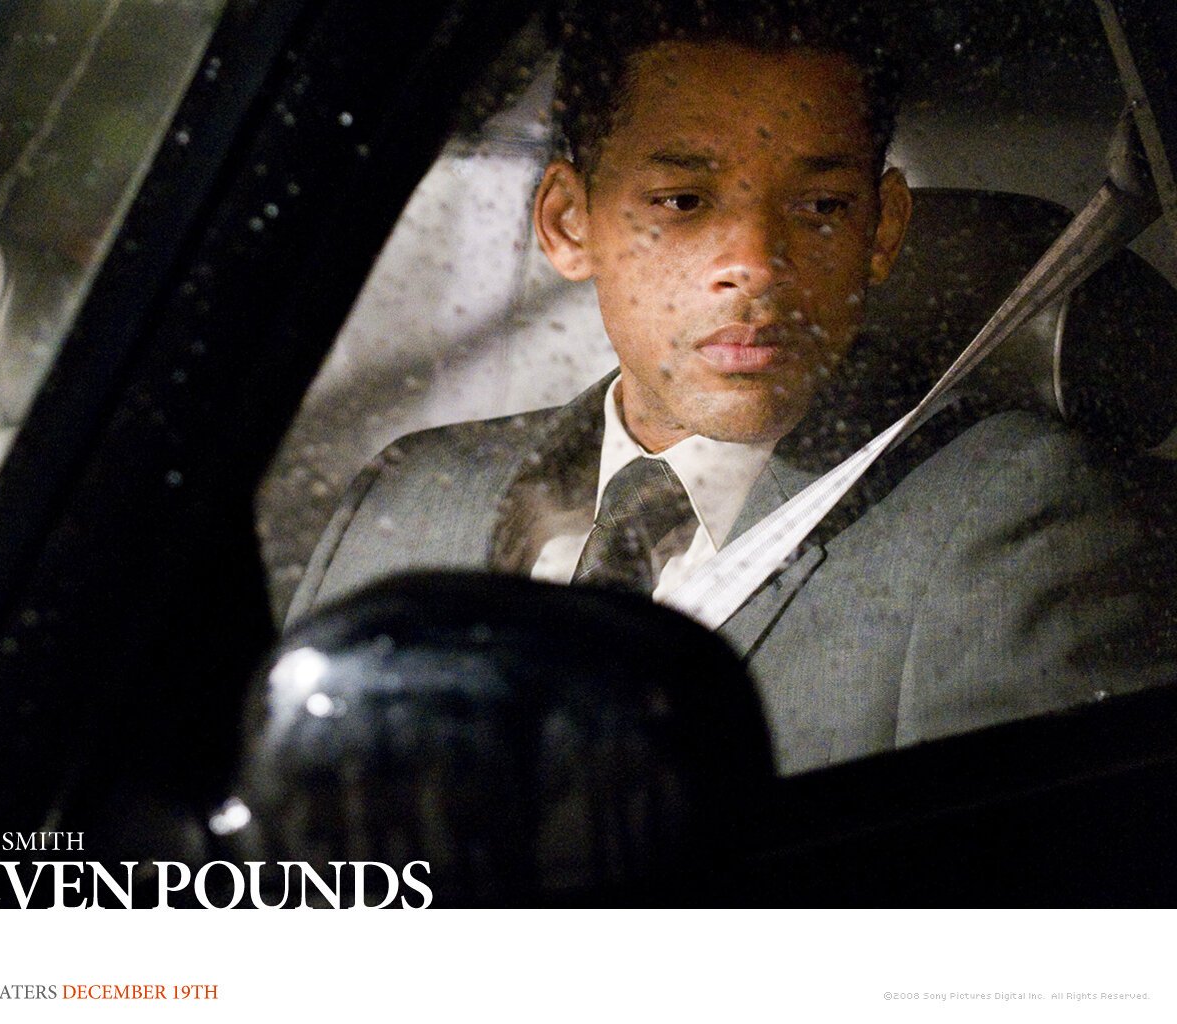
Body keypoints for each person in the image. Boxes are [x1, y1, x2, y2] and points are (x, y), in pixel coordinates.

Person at [287, 0, 1177, 774]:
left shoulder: (1017, 532)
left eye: (821, 207)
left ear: (880, 232)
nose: (755, 263)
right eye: (683, 201)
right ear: (567, 224)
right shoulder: (404, 500)